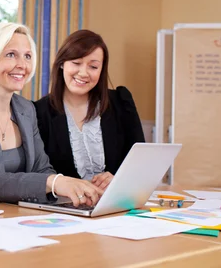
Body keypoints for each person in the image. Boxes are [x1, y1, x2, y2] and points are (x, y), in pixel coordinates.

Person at [0, 23, 104, 206]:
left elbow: (42, 169)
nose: (22, 65)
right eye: (11, 55)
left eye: (27, 56)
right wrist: (55, 182)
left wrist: (74, 190)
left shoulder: (26, 109)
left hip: (14, 217)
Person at [34, 30, 145, 191]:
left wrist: (119, 178)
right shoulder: (39, 112)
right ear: (62, 63)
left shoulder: (121, 101)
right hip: (65, 208)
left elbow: (141, 161)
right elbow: (38, 174)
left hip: (116, 202)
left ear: (101, 70)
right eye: (76, 63)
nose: (83, 73)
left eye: (93, 66)